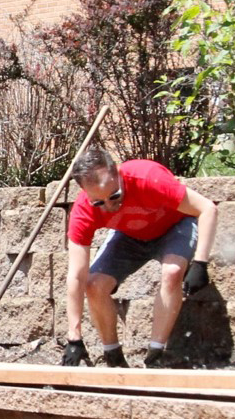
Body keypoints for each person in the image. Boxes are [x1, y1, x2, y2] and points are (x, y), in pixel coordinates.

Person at [60, 147, 220, 369]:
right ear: (85, 192)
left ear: (118, 173)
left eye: (114, 196)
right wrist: (74, 337)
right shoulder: (83, 211)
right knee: (94, 284)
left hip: (175, 226)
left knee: (172, 272)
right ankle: (113, 356)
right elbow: (76, 276)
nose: (109, 205)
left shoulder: (148, 178)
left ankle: (156, 355)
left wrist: (201, 262)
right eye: (99, 202)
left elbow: (207, 209)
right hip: (129, 235)